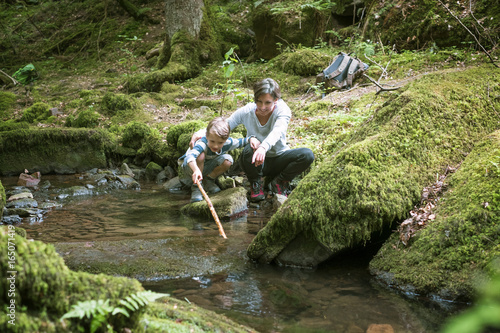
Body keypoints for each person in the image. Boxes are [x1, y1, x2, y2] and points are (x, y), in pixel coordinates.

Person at [190, 78, 315, 202]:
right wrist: (200, 133)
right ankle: (256, 183)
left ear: (276, 100)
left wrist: (263, 147)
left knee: (307, 155)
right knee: (250, 148)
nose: (262, 107)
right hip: (254, 161)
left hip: (279, 158)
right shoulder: (247, 111)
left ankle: (280, 181)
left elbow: (278, 131)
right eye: (259, 102)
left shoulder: (283, 110)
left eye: (267, 103)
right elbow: (225, 125)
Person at [180, 117, 259, 203]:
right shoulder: (202, 143)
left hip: (206, 168)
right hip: (191, 168)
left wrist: (251, 138)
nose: (216, 146)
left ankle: (208, 180)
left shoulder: (228, 142)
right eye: (212, 141)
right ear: (206, 136)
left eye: (220, 143)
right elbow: (190, 157)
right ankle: (196, 187)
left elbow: (241, 142)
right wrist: (196, 170)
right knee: (201, 155)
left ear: (226, 140)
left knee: (228, 160)